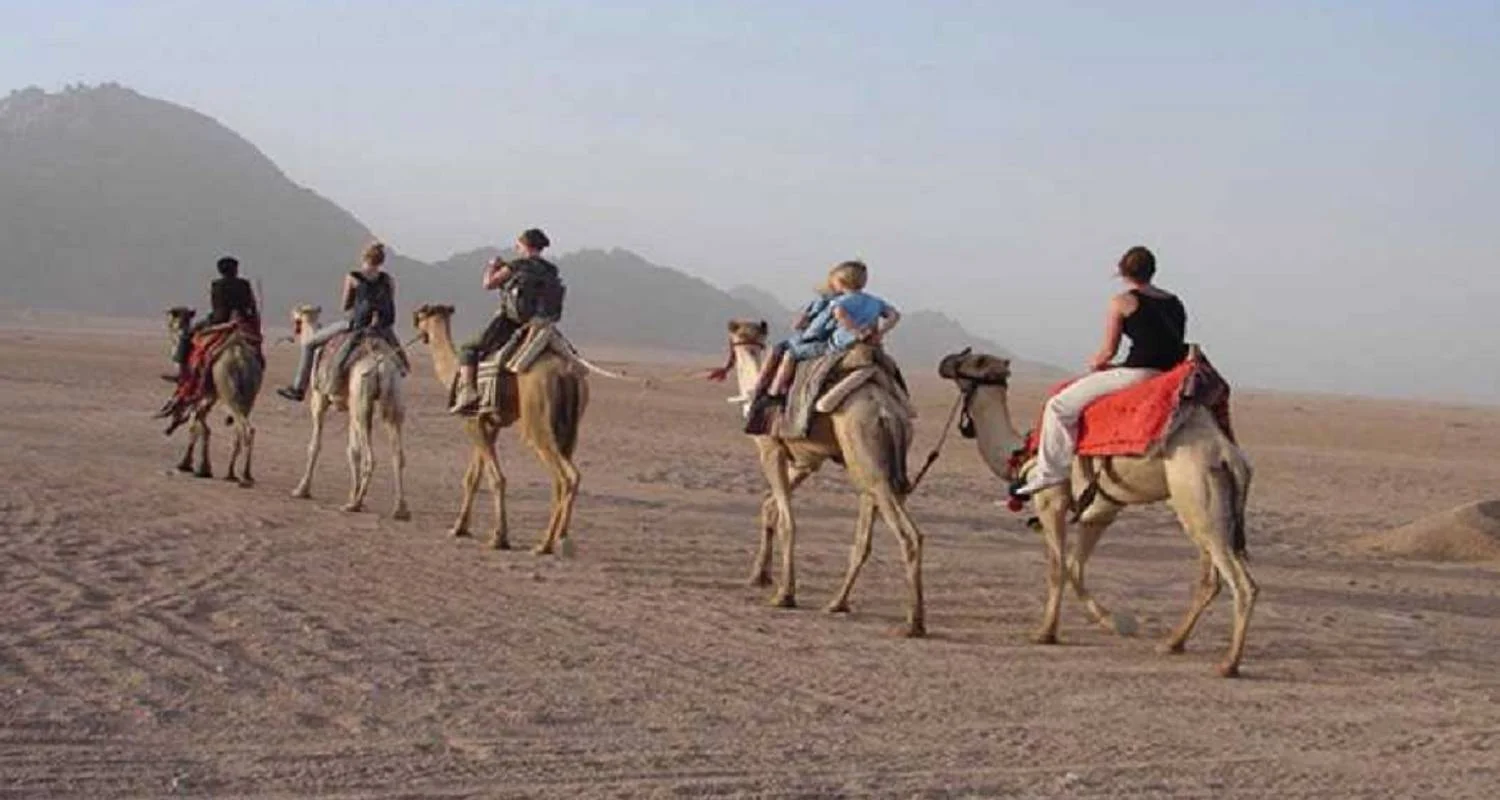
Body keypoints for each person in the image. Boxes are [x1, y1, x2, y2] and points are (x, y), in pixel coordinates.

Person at [1010, 245, 1188, 498]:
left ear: (1122, 272)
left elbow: (1107, 352)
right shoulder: (1174, 302)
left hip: (1139, 374)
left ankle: (1051, 472)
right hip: (1169, 375)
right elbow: (1166, 342)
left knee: (1058, 406)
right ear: (1153, 270)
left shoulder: (1122, 301)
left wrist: (1097, 363)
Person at [744, 260, 900, 429]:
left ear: (840, 283)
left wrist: (854, 331)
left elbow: (835, 318)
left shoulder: (838, 302)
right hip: (871, 346)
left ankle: (775, 393)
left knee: (791, 353)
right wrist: (881, 332)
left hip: (836, 346)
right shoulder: (875, 301)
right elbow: (894, 315)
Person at [450, 227, 565, 414]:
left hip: (511, 323)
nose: (516, 248)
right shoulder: (551, 270)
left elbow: (488, 284)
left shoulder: (516, 266)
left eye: (518, 245)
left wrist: (492, 266)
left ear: (526, 245)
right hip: (544, 323)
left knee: (468, 348)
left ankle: (468, 392)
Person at [276, 241, 401, 402]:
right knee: (399, 359)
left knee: (309, 344)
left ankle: (298, 388)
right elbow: (390, 302)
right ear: (381, 261)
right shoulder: (388, 280)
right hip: (382, 329)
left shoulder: (353, 277)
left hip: (356, 325)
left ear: (363, 258)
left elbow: (345, 306)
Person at [164, 256, 259, 382]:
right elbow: (251, 305)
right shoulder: (244, 284)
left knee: (187, 335)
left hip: (220, 320)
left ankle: (182, 372)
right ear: (235, 270)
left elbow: (216, 306)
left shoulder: (217, 285)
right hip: (243, 321)